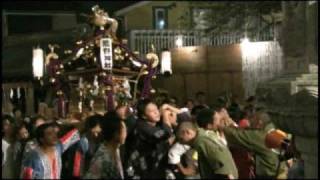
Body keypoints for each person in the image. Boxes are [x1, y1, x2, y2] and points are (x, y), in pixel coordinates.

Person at [220, 109, 287, 179]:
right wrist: (230, 122)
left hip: (269, 175)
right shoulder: (276, 130)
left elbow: (238, 136)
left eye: (252, 119)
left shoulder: (262, 136)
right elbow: (247, 132)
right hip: (280, 171)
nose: (250, 121)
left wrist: (222, 126)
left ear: (259, 122)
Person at [125, 99, 175, 179]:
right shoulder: (142, 126)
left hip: (150, 168)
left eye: (156, 109)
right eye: (152, 111)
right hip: (138, 169)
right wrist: (166, 117)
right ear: (144, 115)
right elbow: (164, 134)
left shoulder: (155, 124)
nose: (156, 113)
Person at [85, 111, 127, 179]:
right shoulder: (103, 157)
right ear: (116, 134)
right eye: (124, 131)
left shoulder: (115, 150)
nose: (125, 134)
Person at [61, 114, 103, 178]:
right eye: (94, 132)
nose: (96, 135)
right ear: (89, 129)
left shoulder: (99, 139)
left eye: (98, 133)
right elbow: (77, 167)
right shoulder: (83, 142)